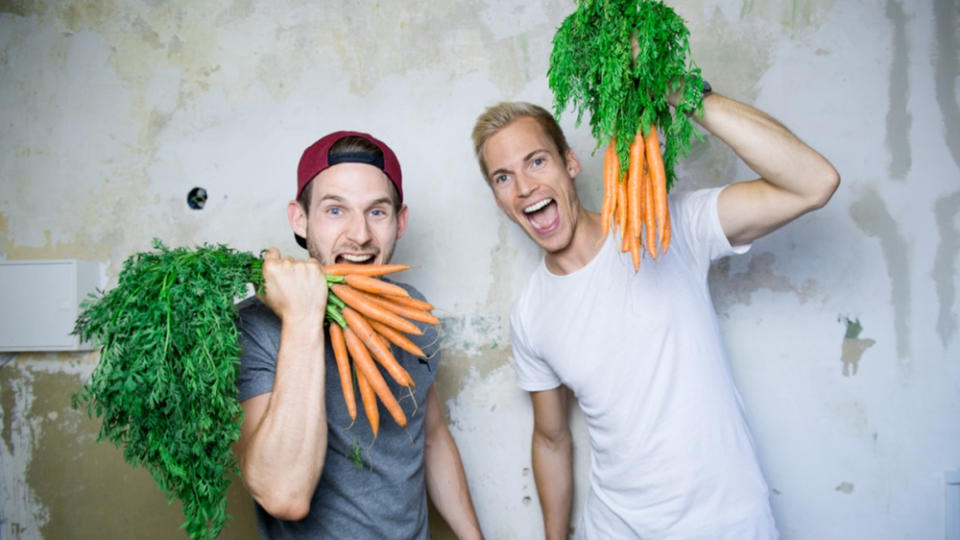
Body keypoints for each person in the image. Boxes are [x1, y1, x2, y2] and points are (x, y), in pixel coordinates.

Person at [471, 87, 839, 539]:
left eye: (536, 161)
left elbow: (813, 183)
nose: (525, 187)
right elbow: (551, 438)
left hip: (727, 525)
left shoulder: (667, 228)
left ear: (570, 162)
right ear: (496, 197)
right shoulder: (529, 314)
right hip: (614, 529)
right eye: (503, 177)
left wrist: (682, 91)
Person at [234, 130, 484, 539]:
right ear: (300, 219)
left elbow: (432, 437)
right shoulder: (258, 326)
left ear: (400, 222)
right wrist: (301, 319)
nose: (360, 235)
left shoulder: (414, 312)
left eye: (377, 212)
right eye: (335, 211)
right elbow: (284, 496)